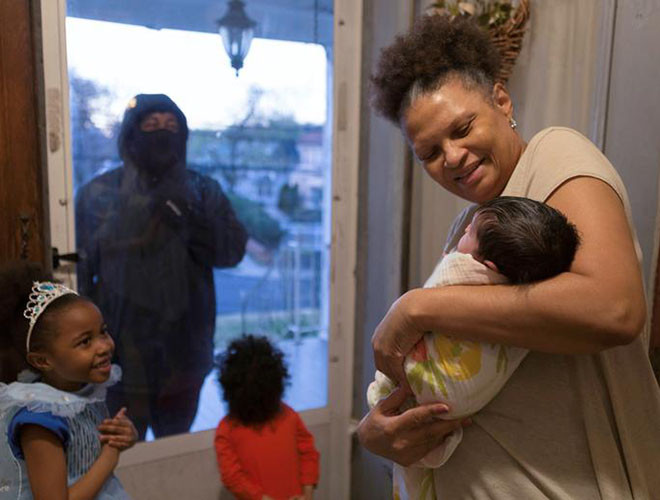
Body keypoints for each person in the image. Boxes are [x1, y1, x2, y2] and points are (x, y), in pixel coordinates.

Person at [357, 14, 660, 499]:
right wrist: (377, 433)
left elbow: (614, 308)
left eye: (462, 128)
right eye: (429, 152)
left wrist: (415, 307)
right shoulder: (470, 228)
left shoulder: (552, 154)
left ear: (501, 101)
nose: (452, 157)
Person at [367, 197, 579, 497]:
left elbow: (440, 282)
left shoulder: (464, 269)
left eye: (470, 232)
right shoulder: (531, 281)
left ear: (488, 266)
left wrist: (412, 304)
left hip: (430, 395)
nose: (464, 230)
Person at [75, 94, 248, 439]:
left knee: (176, 447)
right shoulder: (100, 194)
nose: (162, 133)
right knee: (122, 449)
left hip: (186, 354)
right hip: (119, 354)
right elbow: (79, 272)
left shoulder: (202, 190)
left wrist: (190, 217)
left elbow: (232, 251)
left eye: (171, 126)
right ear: (131, 135)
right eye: (151, 125)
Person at [0, 261, 137, 499]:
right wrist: (110, 455)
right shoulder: (40, 418)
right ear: (43, 360)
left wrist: (123, 435)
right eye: (85, 341)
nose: (104, 346)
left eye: (103, 331)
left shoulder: (82, 390)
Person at [214, 335, 319, 500]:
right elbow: (232, 477)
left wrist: (307, 494)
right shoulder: (226, 430)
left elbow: (308, 453)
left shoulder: (288, 416)